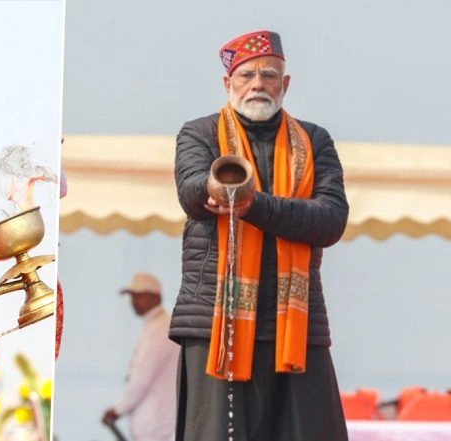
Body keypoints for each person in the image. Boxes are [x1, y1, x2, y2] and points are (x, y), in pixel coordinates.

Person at [171, 30, 350, 441]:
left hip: (297, 323)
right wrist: (215, 190)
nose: (257, 85)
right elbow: (192, 193)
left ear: (285, 84)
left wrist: (254, 205)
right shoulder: (200, 134)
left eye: (269, 75)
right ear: (227, 84)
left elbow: (331, 220)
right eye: (246, 75)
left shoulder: (315, 140)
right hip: (215, 322)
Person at [102, 272, 180, 441]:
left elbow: (141, 378)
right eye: (132, 296)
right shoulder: (159, 325)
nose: (133, 302)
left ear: (155, 297)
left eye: (139, 296)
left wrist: (118, 410)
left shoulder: (159, 329)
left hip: (156, 425)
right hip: (159, 422)